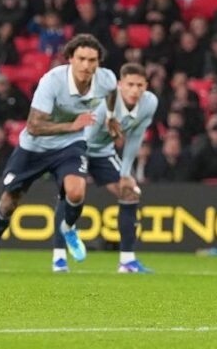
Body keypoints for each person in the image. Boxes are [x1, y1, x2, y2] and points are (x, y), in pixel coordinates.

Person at [0, 34, 117, 273]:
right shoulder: (52, 81)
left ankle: (68, 228)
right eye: (81, 59)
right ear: (70, 59)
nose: (86, 66)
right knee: (9, 202)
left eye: (92, 60)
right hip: (35, 147)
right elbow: (34, 126)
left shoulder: (106, 79)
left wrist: (110, 118)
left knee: (76, 191)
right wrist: (71, 125)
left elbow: (112, 94)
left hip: (70, 145)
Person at [66, 62, 157, 273]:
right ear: (120, 85)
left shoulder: (150, 103)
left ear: (146, 86)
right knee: (71, 193)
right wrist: (79, 168)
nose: (135, 90)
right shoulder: (105, 102)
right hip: (76, 146)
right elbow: (86, 136)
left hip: (102, 152)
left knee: (130, 193)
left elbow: (135, 136)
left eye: (140, 85)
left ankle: (127, 261)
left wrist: (126, 173)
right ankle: (59, 258)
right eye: (130, 85)